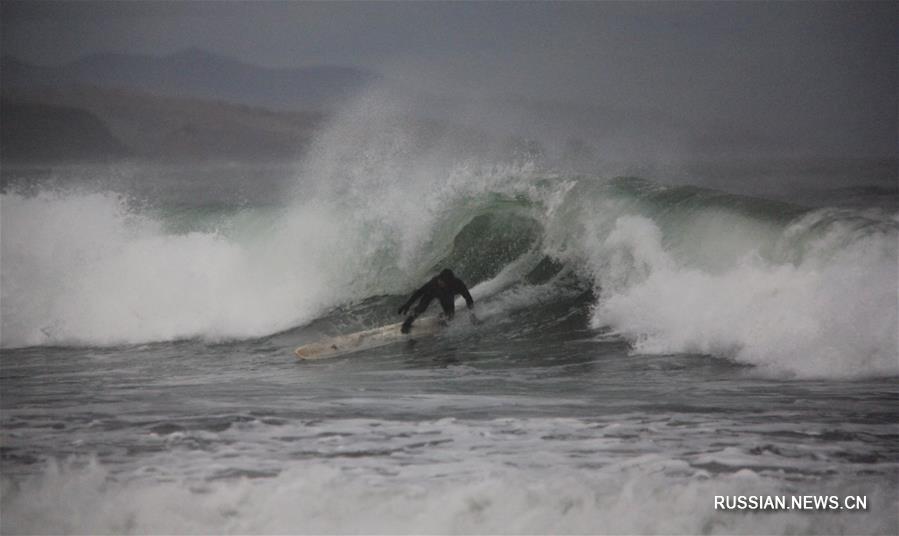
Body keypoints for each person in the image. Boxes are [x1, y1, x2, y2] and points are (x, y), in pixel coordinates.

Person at [397, 268, 475, 333]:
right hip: (431, 293)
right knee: (421, 308)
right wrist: (407, 304)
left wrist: (472, 315)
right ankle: (406, 324)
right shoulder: (433, 283)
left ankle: (441, 317)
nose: (439, 282)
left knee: (450, 316)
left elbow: (468, 298)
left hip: (446, 295)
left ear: (449, 282)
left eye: (442, 282)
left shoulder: (458, 284)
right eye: (439, 280)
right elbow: (419, 292)